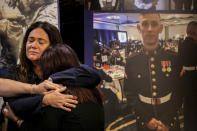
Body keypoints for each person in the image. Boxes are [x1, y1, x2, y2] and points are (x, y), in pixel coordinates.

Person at [1, 21, 101, 131]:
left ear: (53, 47)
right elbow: (12, 105)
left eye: (41, 42)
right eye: (30, 40)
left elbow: (93, 74)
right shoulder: (14, 72)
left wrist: (52, 79)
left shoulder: (58, 73)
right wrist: (42, 98)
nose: (33, 45)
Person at [124, 13, 183, 131]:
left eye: (154, 24)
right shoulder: (131, 61)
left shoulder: (174, 58)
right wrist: (146, 119)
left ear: (160, 28)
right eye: (145, 24)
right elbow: (130, 94)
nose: (150, 29)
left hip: (170, 118)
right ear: (139, 28)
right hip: (144, 121)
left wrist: (167, 121)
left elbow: (179, 92)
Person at [178, 21, 197, 131]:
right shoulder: (195, 44)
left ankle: (188, 127)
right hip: (195, 76)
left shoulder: (182, 44)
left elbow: (180, 61)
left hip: (185, 77)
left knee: (188, 104)